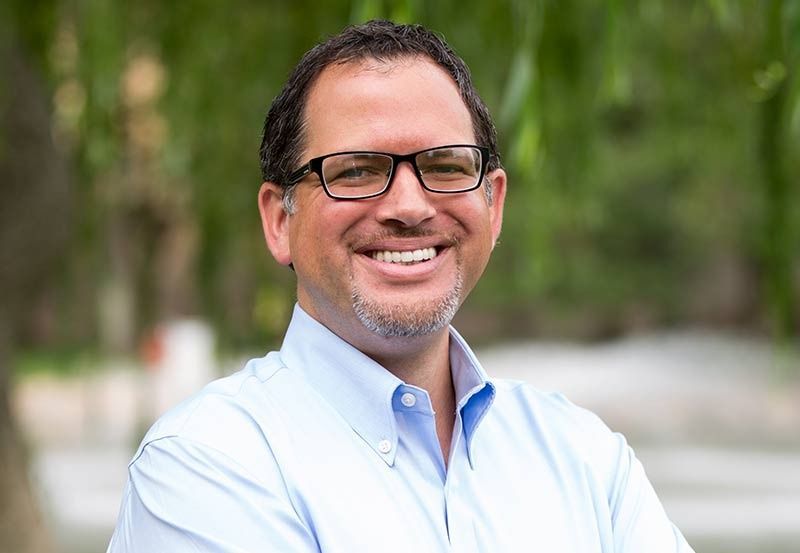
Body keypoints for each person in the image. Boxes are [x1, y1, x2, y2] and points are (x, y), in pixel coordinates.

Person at [107, 20, 694, 552]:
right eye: (357, 170)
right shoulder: (205, 465)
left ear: (494, 206)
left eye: (444, 165)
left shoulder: (585, 458)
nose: (410, 206)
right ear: (279, 221)